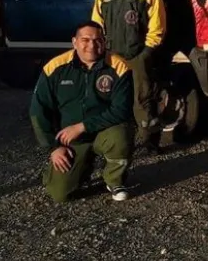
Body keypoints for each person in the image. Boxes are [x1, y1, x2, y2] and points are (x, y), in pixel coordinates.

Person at [30, 21, 135, 203]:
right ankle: (81, 168)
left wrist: (83, 126)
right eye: (85, 40)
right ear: (74, 42)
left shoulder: (119, 66)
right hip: (71, 140)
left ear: (104, 42)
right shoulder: (55, 67)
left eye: (98, 40)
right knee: (60, 194)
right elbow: (38, 111)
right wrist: (54, 148)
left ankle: (114, 180)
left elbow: (121, 110)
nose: (91, 45)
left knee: (121, 134)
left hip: (104, 131)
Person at [91, 0, 167, 149]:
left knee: (142, 99)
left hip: (137, 56)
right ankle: (114, 142)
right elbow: (96, 22)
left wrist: (146, 52)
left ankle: (150, 140)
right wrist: (99, 49)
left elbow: (157, 25)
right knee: (109, 99)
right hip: (111, 57)